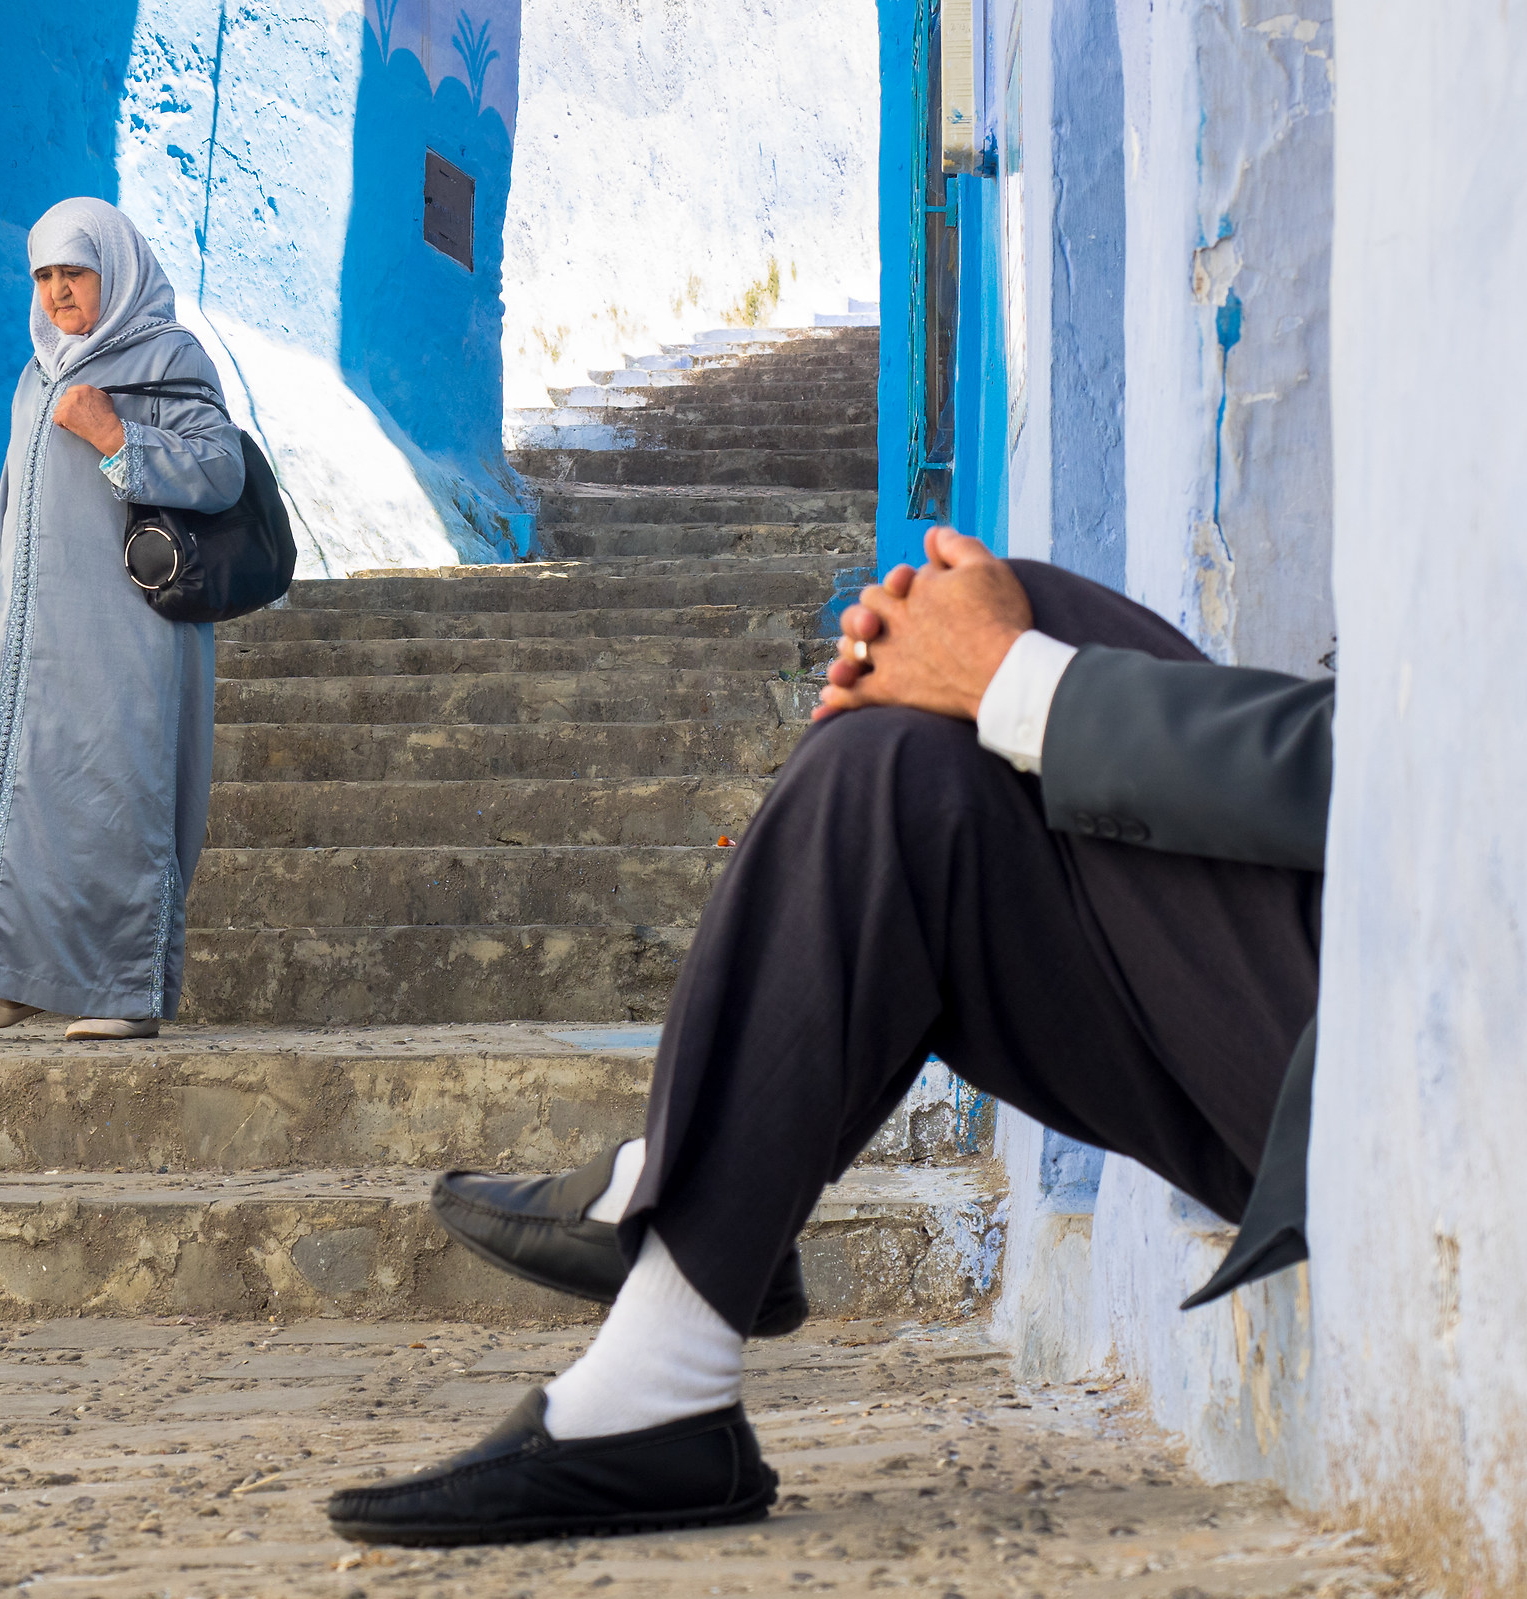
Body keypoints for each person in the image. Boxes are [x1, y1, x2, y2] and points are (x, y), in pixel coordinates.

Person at [327, 529, 1333, 1546]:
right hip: (1329, 1054)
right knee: (899, 765)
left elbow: (1408, 784)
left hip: (1394, 1084)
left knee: (1014, 619)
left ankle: (668, 1213)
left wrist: (1013, 673)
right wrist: (995, 676)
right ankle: (667, 1347)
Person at [0, 198, 245, 1042]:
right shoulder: (37, 371)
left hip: (123, 633)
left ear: (115, 267)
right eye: (43, 275)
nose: (58, 292)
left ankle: (121, 988)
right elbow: (12, 509)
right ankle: (10, 972)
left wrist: (119, 437)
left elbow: (222, 473)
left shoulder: (168, 356)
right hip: (22, 625)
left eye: (74, 272)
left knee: (112, 792)